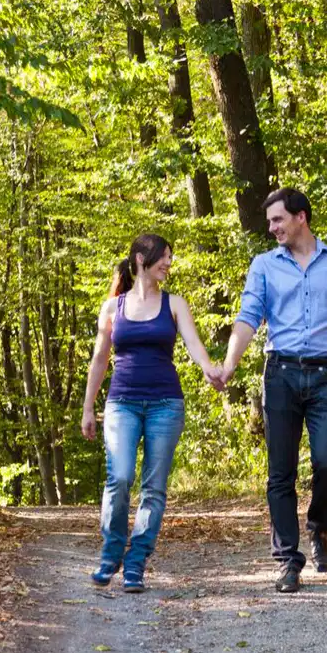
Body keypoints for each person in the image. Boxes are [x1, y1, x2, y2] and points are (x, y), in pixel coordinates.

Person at [214, 188, 327, 593]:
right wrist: (229, 364)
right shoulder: (264, 266)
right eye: (270, 222)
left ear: (301, 217)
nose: (271, 228)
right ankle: (288, 560)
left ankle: (320, 528)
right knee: (279, 473)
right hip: (280, 374)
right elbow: (248, 317)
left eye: (277, 220)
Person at [80, 234, 219, 593]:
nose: (169, 264)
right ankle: (111, 553)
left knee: (153, 489)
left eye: (170, 258)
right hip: (121, 402)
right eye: (164, 258)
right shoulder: (113, 308)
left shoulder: (175, 304)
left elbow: (193, 344)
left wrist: (211, 370)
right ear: (142, 258)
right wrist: (87, 407)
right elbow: (99, 360)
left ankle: (136, 563)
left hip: (165, 404)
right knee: (120, 476)